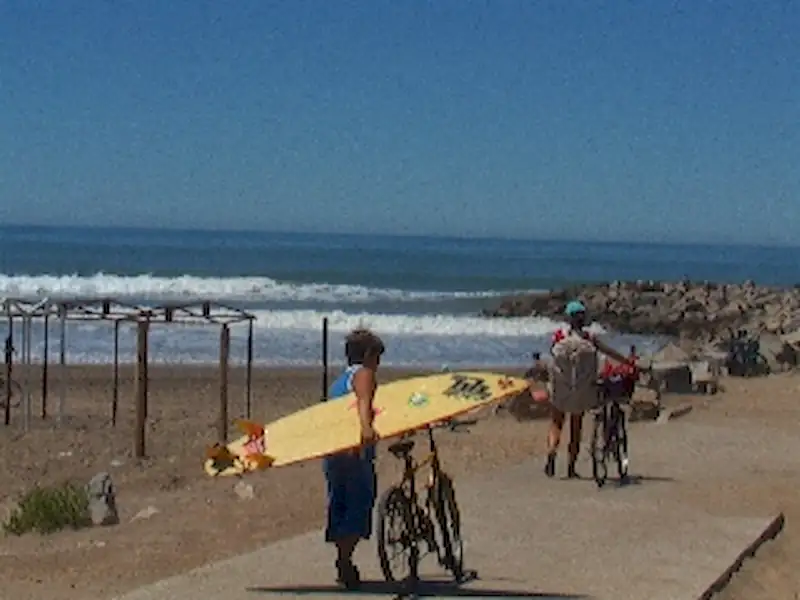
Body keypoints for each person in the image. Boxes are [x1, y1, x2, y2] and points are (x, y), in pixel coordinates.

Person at [544, 300, 635, 479]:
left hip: (561, 387)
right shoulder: (589, 338)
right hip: (581, 389)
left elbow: (553, 360)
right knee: (576, 426)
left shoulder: (558, 337)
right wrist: (628, 362)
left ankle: (552, 452)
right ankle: (571, 467)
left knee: (556, 423)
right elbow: (609, 352)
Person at [322, 327, 384, 589]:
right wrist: (366, 429)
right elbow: (363, 401)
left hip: (334, 451)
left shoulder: (338, 382)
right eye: (378, 357)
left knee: (340, 503)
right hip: (355, 451)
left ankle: (343, 560)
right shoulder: (364, 374)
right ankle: (345, 561)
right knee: (360, 503)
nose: (378, 364)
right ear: (368, 355)